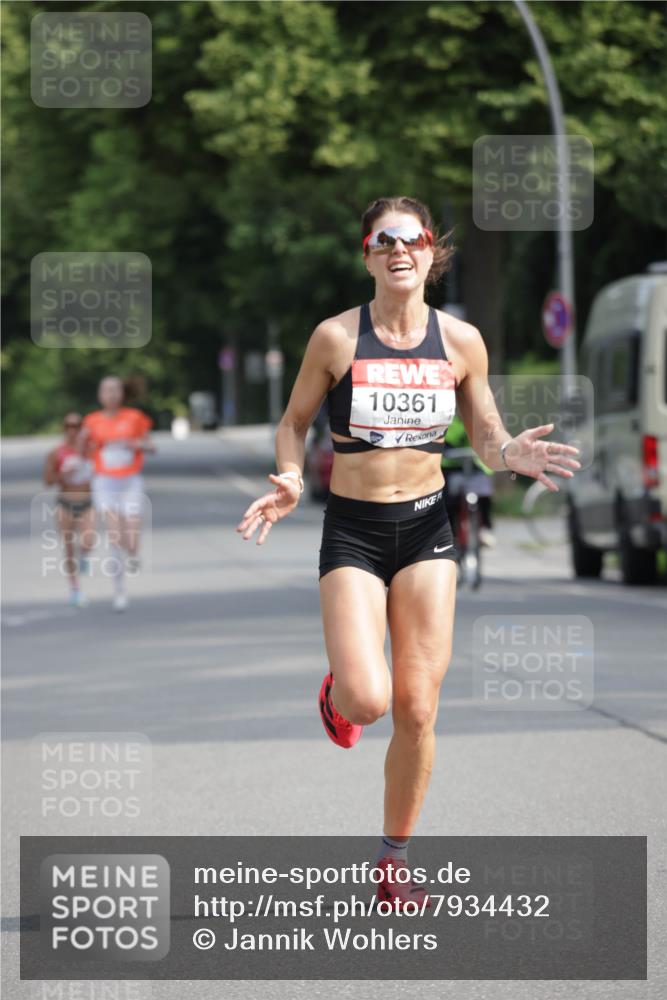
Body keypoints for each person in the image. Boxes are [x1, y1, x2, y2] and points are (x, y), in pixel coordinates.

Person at [236, 196, 580, 908]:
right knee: (369, 700)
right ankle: (341, 693)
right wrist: (293, 478)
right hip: (355, 532)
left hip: (425, 530)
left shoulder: (461, 342)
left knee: (417, 708)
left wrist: (507, 452)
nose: (398, 250)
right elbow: (294, 422)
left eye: (411, 238)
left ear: (431, 252)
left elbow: (485, 437)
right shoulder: (334, 338)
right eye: (382, 240)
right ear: (366, 254)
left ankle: (392, 858)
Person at [80, 376, 155, 612]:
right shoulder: (91, 421)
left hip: (130, 483)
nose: (111, 395)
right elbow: (82, 452)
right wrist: (83, 444)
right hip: (105, 484)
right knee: (114, 537)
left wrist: (139, 445)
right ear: (99, 395)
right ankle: (119, 590)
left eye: (115, 390)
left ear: (122, 394)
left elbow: (151, 446)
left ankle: (133, 553)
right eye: (106, 390)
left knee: (131, 542)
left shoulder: (134, 418)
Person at [43, 412, 95, 606]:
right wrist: (62, 475)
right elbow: (47, 481)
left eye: (77, 425)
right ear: (64, 428)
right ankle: (75, 589)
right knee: (68, 547)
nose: (73, 430)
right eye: (69, 426)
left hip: (87, 500)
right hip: (65, 502)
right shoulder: (56, 452)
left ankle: (85, 556)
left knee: (88, 540)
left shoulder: (92, 451)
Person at [442, 413, 496, 547]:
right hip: (451, 465)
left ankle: (485, 528)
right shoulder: (449, 421)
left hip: (476, 465)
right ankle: (450, 534)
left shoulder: (482, 419)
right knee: (448, 501)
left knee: (484, 495)